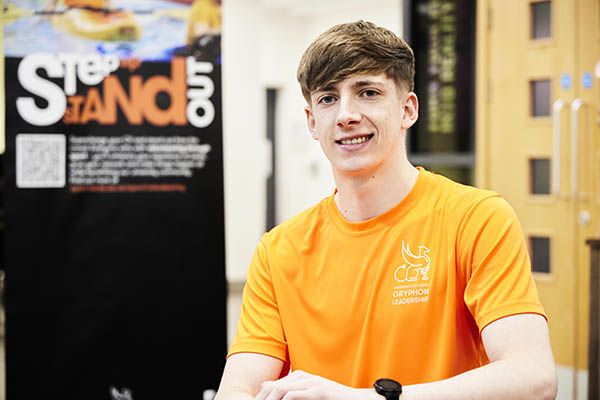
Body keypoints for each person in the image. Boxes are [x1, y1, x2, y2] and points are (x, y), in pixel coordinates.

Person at [216, 20, 557, 400]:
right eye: (328, 98)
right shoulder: (279, 250)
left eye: (367, 92)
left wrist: (364, 399)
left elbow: (534, 378)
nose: (346, 114)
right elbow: (238, 385)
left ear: (407, 109)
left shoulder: (476, 219)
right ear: (313, 121)